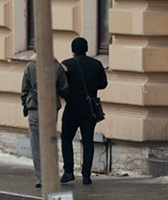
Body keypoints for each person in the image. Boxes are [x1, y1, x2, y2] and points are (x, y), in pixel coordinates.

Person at [61, 36, 110, 186]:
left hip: (72, 108)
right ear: (87, 49)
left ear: (72, 50)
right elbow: (103, 84)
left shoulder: (67, 65)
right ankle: (86, 175)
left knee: (66, 138)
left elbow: (62, 86)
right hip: (89, 110)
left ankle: (68, 171)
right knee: (88, 140)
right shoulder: (96, 64)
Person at [19, 55, 66, 189]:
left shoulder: (30, 66)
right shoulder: (56, 66)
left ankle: (40, 178)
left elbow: (24, 90)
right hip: (51, 109)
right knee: (49, 142)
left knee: (36, 144)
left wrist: (25, 105)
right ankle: (51, 175)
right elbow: (64, 88)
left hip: (34, 108)